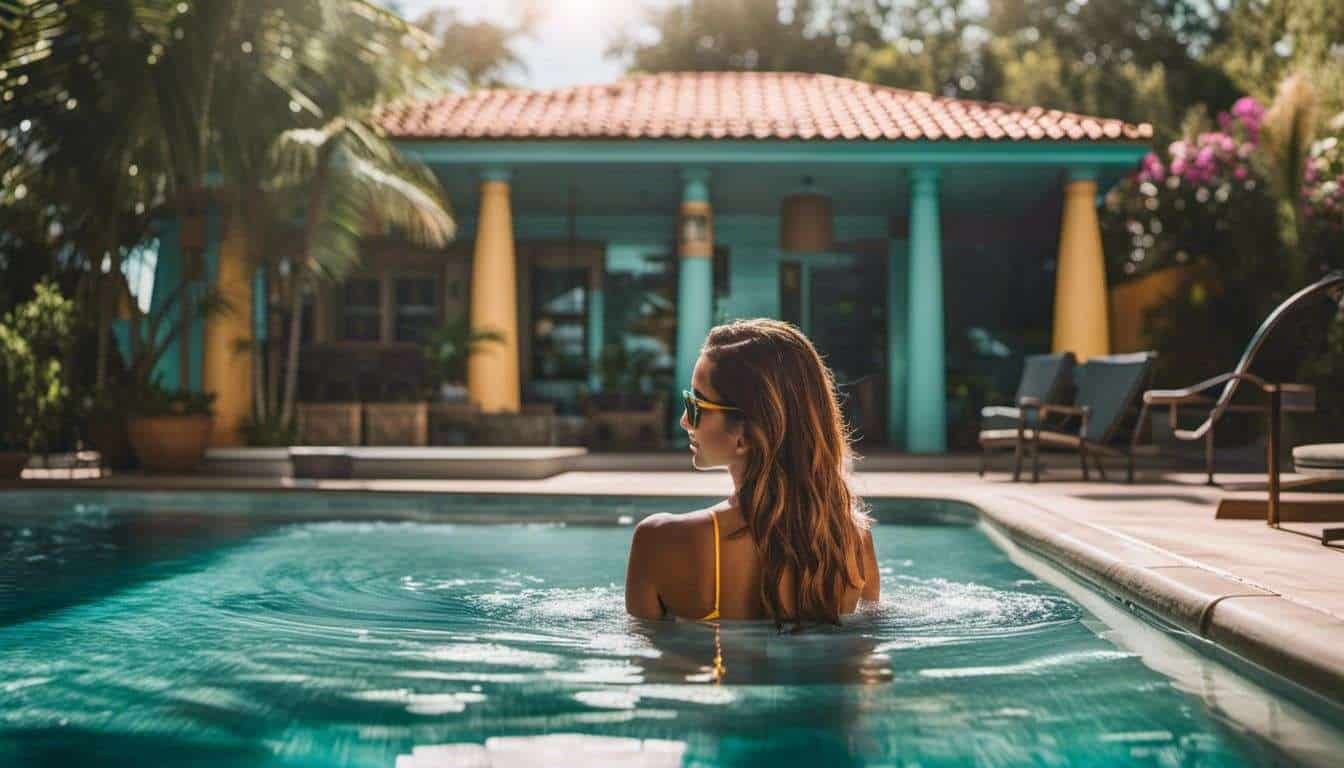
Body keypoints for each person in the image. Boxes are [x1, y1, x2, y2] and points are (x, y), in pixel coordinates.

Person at [625, 318, 879, 629]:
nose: (684, 422)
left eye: (695, 405)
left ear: (745, 435)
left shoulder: (661, 539)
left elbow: (647, 665)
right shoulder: (853, 540)